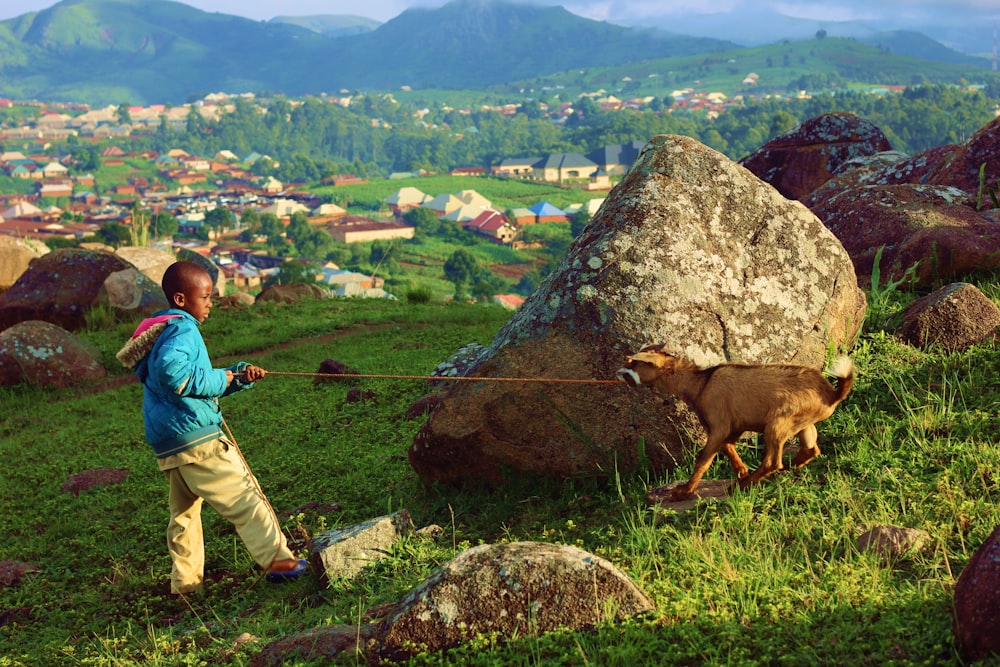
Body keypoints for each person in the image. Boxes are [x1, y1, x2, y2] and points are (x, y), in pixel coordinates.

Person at [117, 260, 306, 594]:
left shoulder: (161, 334)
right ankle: (279, 563)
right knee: (246, 498)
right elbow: (176, 377)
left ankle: (186, 585)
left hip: (171, 444)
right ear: (180, 299)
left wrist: (236, 376)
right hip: (198, 440)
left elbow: (187, 383)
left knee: (184, 518)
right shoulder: (183, 329)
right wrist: (222, 377)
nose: (210, 304)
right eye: (204, 297)